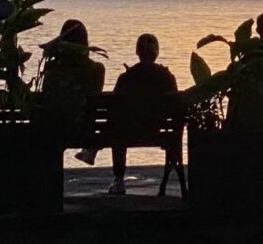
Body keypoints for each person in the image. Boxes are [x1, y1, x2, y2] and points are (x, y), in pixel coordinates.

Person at [107, 33, 178, 195]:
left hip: (126, 131)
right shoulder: (167, 77)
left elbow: (113, 107)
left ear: (137, 52)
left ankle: (119, 180)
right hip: (156, 131)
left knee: (117, 127)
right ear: (156, 53)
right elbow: (174, 106)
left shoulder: (126, 77)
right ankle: (166, 182)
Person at [41, 19, 105, 96]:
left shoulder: (52, 67)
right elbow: (97, 95)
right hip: (86, 107)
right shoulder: (97, 69)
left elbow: (45, 93)